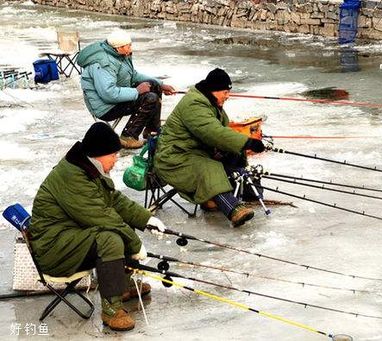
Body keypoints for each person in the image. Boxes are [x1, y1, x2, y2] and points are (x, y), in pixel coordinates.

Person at [29, 122, 167, 331]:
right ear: (98, 154)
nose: (116, 158)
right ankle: (111, 310)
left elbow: (116, 202)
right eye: (113, 154)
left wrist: (146, 219)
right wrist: (136, 244)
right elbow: (102, 217)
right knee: (110, 238)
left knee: (118, 228)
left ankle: (121, 287)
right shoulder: (74, 177)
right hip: (54, 249)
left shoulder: (88, 169)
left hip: (71, 237)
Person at [153, 68, 265, 227]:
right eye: (225, 92)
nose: (228, 96)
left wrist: (233, 152)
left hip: (196, 153)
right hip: (174, 157)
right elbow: (213, 132)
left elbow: (222, 132)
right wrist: (247, 142)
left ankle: (248, 192)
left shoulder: (212, 103)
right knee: (209, 168)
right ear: (214, 90)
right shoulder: (194, 104)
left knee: (233, 159)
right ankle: (232, 208)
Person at [76, 29, 176, 149]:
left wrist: (160, 84)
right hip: (106, 107)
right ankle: (128, 137)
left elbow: (133, 75)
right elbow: (108, 93)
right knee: (150, 98)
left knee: (152, 86)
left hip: (116, 96)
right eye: (128, 46)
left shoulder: (119, 55)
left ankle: (152, 130)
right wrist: (136, 91)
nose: (131, 48)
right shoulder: (103, 64)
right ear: (118, 47)